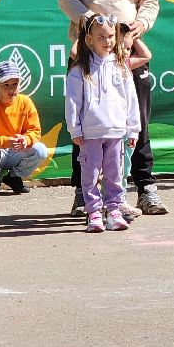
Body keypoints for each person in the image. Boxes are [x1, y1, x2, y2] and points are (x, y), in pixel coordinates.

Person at [58, 0, 166, 215]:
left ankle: (146, 189)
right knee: (84, 120)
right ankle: (83, 193)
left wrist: (137, 28)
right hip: (89, 46)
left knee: (138, 119)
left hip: (126, 46)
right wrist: (92, 24)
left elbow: (151, 0)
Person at [65, 15, 141, 232]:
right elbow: (72, 101)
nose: (107, 41)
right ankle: (94, 212)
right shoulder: (79, 70)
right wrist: (75, 128)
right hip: (90, 133)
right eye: (101, 37)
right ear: (89, 39)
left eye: (110, 36)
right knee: (90, 172)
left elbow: (131, 100)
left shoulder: (121, 67)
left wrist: (132, 128)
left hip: (116, 132)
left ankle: (113, 210)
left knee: (114, 173)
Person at [0, 60, 49, 198]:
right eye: (6, 85)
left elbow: (35, 131)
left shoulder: (25, 101)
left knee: (41, 150)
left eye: (15, 84)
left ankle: (14, 178)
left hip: (17, 150)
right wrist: (7, 141)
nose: (11, 89)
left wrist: (25, 140)